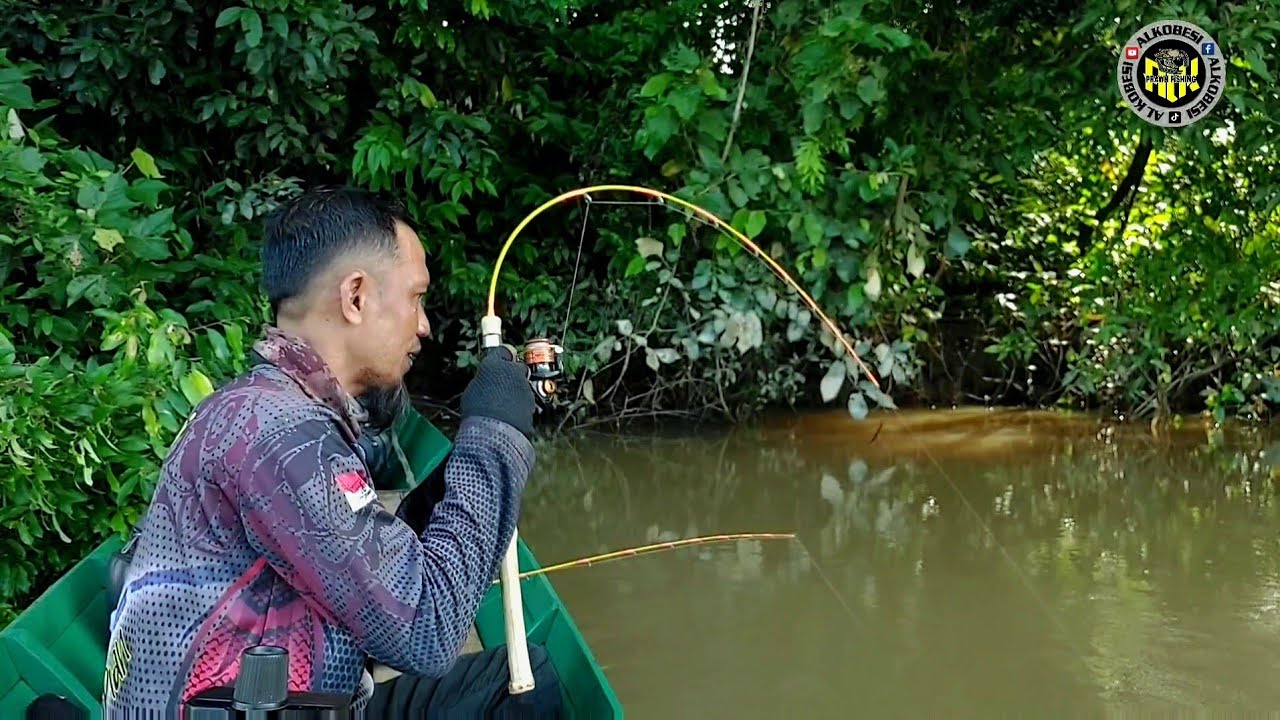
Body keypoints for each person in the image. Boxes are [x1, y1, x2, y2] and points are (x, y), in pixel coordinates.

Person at [103, 186, 562, 718]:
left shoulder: (267, 408)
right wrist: (494, 438)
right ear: (356, 297)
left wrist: (469, 458)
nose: (424, 325)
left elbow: (371, 561)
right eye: (415, 297)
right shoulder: (281, 437)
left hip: (302, 700)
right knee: (525, 693)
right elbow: (427, 629)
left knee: (526, 675)